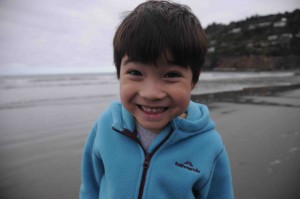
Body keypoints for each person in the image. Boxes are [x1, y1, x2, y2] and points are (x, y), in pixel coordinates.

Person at [80, 1, 234, 198]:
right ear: (119, 73)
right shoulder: (106, 126)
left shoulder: (209, 145)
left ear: (193, 80)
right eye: (135, 72)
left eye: (170, 75)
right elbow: (90, 187)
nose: (151, 93)